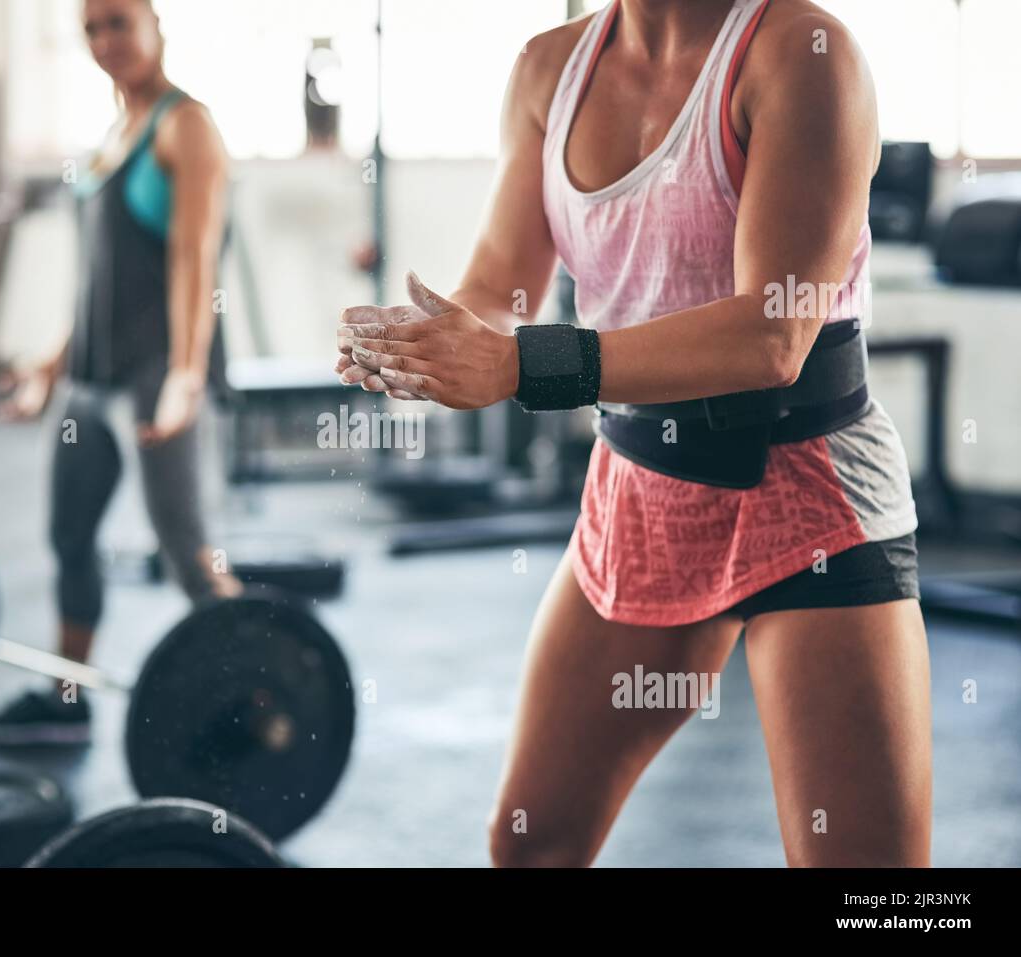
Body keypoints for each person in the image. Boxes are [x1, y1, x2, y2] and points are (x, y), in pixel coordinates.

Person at [338, 0, 930, 867]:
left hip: (809, 496)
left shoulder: (804, 55)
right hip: (642, 489)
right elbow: (504, 283)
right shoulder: (550, 68)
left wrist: (515, 367)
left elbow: (772, 334)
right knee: (531, 844)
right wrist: (424, 343)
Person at [0, 0, 242, 745]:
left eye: (119, 21)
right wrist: (51, 362)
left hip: (154, 374)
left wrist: (186, 374)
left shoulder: (185, 125)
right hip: (90, 380)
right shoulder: (110, 137)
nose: (105, 40)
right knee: (70, 535)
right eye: (92, 28)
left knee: (188, 551)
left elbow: (195, 259)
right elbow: (101, 279)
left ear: (158, 23)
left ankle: (256, 693)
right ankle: (68, 696)